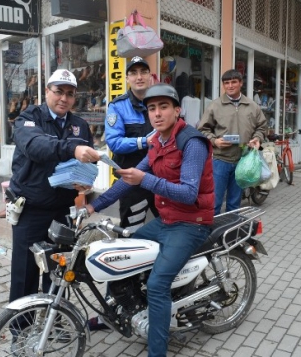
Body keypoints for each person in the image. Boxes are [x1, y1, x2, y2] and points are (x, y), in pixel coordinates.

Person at [86, 84, 214, 357]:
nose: (156, 113)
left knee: (157, 285)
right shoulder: (157, 142)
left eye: (163, 107)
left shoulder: (191, 143)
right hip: (166, 220)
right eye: (152, 108)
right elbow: (129, 179)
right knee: (120, 253)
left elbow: (189, 193)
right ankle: (117, 313)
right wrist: (93, 207)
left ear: (177, 110)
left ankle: (157, 352)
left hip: (191, 223)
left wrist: (147, 180)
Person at [8, 69, 100, 303]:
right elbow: (35, 147)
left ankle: (55, 322)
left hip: (61, 211)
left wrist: (85, 183)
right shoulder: (29, 117)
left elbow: (84, 164)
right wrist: (72, 149)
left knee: (58, 272)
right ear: (47, 91)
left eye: (69, 94)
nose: (64, 98)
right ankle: (20, 328)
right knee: (25, 273)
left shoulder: (79, 125)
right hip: (30, 209)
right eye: (58, 92)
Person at [197, 69, 267, 214]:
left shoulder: (252, 106)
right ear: (223, 85)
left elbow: (262, 127)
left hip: (243, 161)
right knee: (215, 202)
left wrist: (257, 138)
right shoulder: (215, 106)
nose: (230, 86)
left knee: (234, 203)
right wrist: (215, 141)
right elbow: (202, 129)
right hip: (220, 161)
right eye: (226, 83)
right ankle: (212, 234)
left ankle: (231, 233)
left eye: (234, 82)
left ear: (240, 83)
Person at [104, 56, 159, 233]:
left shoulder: (159, 102)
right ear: (127, 78)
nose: (139, 77)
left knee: (170, 227)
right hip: (131, 182)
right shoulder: (118, 106)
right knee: (131, 231)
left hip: (160, 179)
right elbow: (114, 142)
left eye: (143, 72)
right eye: (133, 73)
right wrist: (144, 141)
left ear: (150, 76)